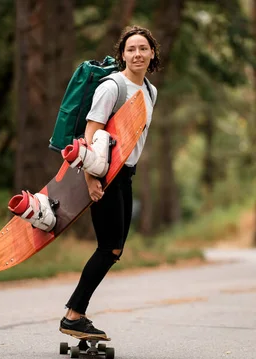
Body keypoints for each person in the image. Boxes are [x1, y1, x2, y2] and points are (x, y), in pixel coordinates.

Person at [59, 26, 161, 339]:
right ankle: (74, 315)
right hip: (104, 174)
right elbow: (91, 135)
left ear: (152, 53)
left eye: (143, 48)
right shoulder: (112, 86)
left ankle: (75, 314)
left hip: (126, 174)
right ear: (122, 55)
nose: (138, 54)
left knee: (114, 250)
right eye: (131, 49)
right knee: (108, 247)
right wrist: (91, 178)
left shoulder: (150, 91)